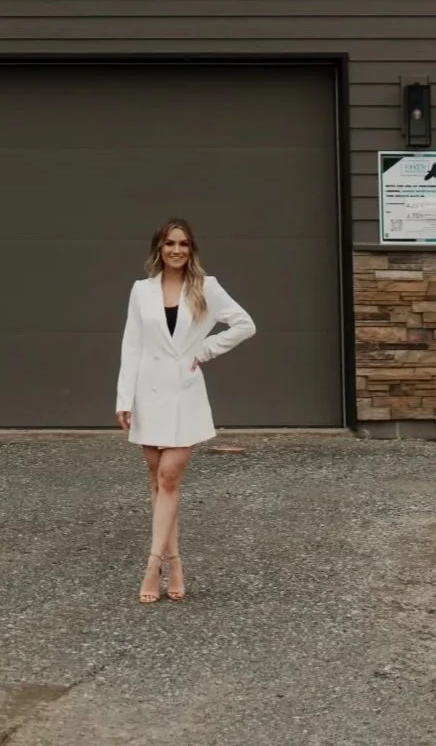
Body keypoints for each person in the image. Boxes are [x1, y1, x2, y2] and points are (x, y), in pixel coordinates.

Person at [113, 217, 256, 604]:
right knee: (158, 482)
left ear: (192, 249)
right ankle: (176, 561)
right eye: (170, 243)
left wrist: (204, 350)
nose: (177, 250)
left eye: (184, 244)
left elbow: (245, 325)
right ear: (159, 248)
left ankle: (152, 564)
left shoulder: (206, 287)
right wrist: (124, 398)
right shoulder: (141, 291)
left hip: (185, 395)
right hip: (148, 393)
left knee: (170, 478)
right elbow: (132, 346)